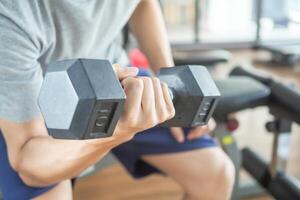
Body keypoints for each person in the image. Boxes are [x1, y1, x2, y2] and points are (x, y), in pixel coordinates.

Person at [0, 1, 234, 199]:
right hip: (26, 101)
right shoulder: (11, 14)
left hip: (114, 76)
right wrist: (115, 132)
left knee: (216, 173)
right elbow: (29, 163)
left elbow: (142, 3)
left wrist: (173, 82)